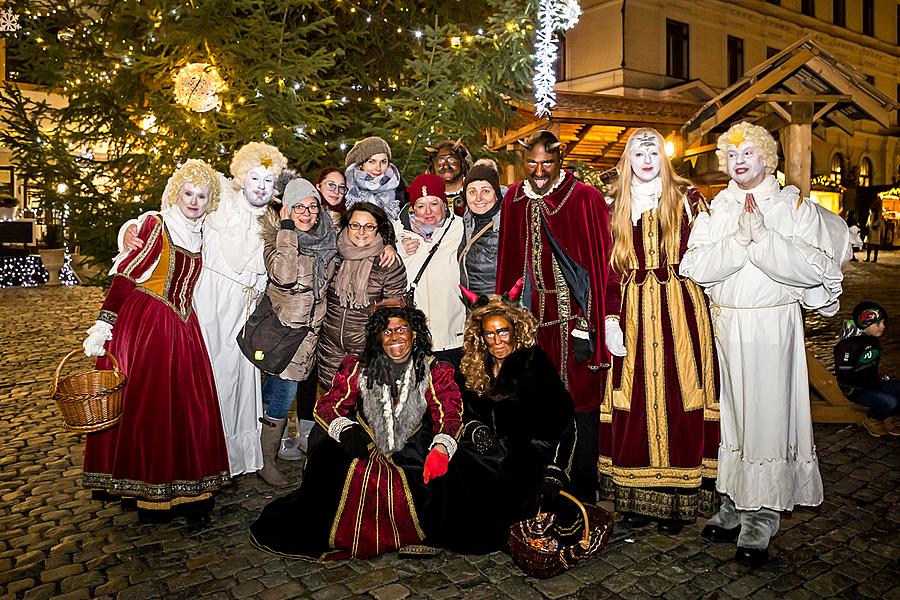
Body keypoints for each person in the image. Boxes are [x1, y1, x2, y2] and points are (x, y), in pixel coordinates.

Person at [680, 121, 843, 567]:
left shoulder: (793, 207)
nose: (739, 161)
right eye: (732, 155)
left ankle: (761, 516)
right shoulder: (717, 209)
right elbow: (694, 266)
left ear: (766, 158)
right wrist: (737, 241)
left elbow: (817, 271)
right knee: (735, 417)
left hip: (774, 326)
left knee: (769, 417)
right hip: (729, 326)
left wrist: (766, 240)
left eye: (748, 152)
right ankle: (735, 500)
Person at [119, 142, 287, 478]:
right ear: (240, 177)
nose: (260, 187)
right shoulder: (221, 201)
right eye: (254, 178)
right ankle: (203, 459)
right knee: (209, 382)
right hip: (209, 308)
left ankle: (239, 461)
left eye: (268, 181)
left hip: (245, 313)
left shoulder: (273, 219)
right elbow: (171, 212)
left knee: (241, 383)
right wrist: (130, 230)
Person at [249, 302, 463, 560]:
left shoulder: (434, 370)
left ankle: (419, 534)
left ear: (413, 333)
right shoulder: (359, 366)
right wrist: (346, 430)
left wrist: (441, 447)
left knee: (427, 479)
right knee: (336, 467)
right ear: (377, 336)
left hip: (413, 443)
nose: (395, 337)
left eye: (401, 329)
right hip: (363, 438)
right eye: (387, 331)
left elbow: (450, 414)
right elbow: (328, 406)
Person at [81, 160, 231, 522]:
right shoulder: (157, 224)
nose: (193, 201)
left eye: (201, 195)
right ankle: (148, 489)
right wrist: (104, 323)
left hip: (182, 325)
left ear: (210, 200)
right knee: (151, 407)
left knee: (187, 405)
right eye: (188, 193)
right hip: (149, 323)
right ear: (175, 193)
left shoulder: (200, 230)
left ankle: (188, 487)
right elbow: (126, 272)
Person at [599, 128, 720, 534]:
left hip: (680, 311)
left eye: (653, 152)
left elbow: (709, 254)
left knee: (677, 396)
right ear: (627, 160)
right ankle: (634, 497)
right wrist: (611, 319)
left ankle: (675, 501)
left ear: (663, 158)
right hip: (632, 308)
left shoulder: (687, 201)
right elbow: (609, 269)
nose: (647, 159)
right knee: (633, 400)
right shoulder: (613, 205)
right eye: (638, 152)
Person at [495, 129, 618, 502]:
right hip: (531, 316)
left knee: (579, 401)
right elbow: (509, 260)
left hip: (573, 316)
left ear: (560, 159)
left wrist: (594, 319)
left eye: (547, 162)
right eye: (531, 162)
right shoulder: (515, 197)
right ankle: (537, 485)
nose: (539, 170)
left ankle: (581, 487)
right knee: (533, 400)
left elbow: (600, 264)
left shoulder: (584, 198)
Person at [452, 288, 577, 552]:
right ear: (482, 338)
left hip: (530, 454)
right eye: (490, 333)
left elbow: (566, 421)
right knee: (463, 459)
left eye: (503, 332)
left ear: (515, 331)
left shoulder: (534, 363)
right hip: (491, 451)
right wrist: (476, 431)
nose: (497, 340)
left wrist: (556, 472)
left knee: (509, 468)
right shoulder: (476, 368)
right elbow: (467, 413)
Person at [256, 178, 339, 485]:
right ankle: (267, 460)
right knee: (282, 395)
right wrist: (287, 230)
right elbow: (285, 275)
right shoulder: (274, 239)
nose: (307, 213)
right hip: (282, 336)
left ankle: (261, 448)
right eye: (298, 207)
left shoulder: (328, 239)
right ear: (287, 210)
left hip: (309, 337)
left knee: (272, 393)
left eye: (312, 206)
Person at [317, 202, 408, 390]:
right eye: (355, 225)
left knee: (365, 407)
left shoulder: (387, 262)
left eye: (369, 226)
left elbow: (393, 315)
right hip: (330, 347)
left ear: (378, 229)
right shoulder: (333, 253)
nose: (361, 232)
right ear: (347, 225)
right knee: (332, 405)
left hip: (367, 350)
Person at [395, 174, 466, 367]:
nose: (428, 212)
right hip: (414, 339)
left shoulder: (460, 229)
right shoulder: (398, 234)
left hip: (454, 338)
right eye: (420, 205)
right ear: (412, 208)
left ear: (444, 204)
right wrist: (396, 251)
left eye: (434, 203)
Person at [834, 301, 899, 436]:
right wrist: (869, 382)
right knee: (891, 401)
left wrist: (879, 378)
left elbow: (870, 364)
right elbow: (844, 375)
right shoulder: (847, 346)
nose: (883, 327)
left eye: (883, 323)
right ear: (864, 323)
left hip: (871, 384)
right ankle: (873, 419)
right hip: (855, 390)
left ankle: (887, 417)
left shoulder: (871, 339)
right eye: (878, 323)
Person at [458, 163, 503, 298]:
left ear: (496, 193)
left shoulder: (509, 224)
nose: (478, 198)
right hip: (475, 307)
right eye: (472, 192)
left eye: (485, 191)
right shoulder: (468, 222)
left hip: (499, 311)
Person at [344, 136, 407, 221]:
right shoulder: (346, 186)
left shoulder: (399, 187)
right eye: (372, 162)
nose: (378, 168)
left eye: (383, 162)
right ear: (360, 164)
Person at [426, 139, 473, 216]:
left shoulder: (476, 194)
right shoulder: (424, 197)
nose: (446, 166)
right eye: (440, 161)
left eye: (452, 160)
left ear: (463, 164)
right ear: (433, 167)